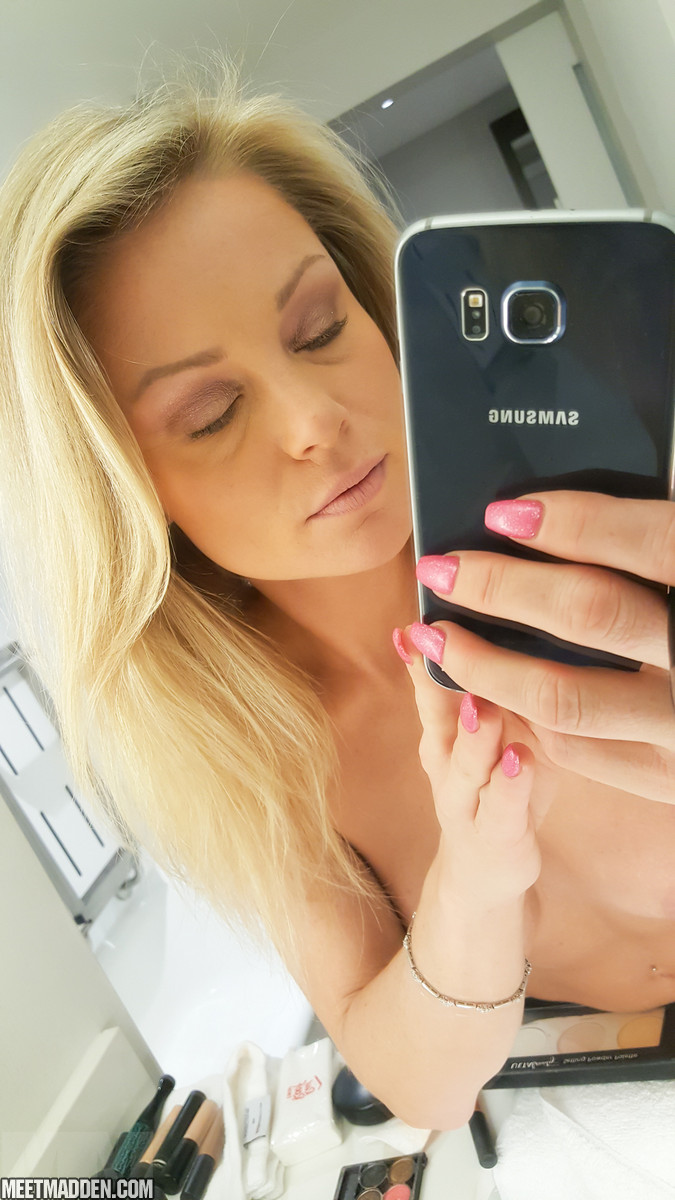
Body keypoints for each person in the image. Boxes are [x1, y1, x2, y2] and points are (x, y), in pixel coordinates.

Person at [1, 63, 674, 1132]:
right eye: (211, 412)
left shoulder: (608, 510)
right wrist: (475, 878)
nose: (314, 419)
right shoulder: (253, 755)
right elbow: (421, 1084)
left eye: (319, 327)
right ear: (127, 499)